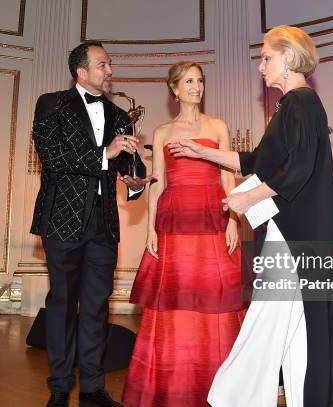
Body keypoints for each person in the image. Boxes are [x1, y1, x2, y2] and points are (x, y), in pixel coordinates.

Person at [168, 26, 333, 407]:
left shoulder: (301, 101)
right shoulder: (292, 106)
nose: (260, 66)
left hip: (295, 234)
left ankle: (234, 397)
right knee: (293, 326)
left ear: (287, 58)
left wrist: (248, 196)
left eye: (266, 57)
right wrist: (203, 153)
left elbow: (298, 169)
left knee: (270, 321)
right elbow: (255, 161)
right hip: (295, 232)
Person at [31, 41, 153, 407]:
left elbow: (123, 166)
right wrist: (106, 152)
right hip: (62, 221)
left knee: (98, 308)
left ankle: (92, 388)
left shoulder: (118, 114)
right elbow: (52, 156)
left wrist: (135, 179)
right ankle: (59, 387)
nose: (110, 71)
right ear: (81, 71)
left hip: (103, 226)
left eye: (110, 64)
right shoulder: (51, 103)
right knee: (63, 304)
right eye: (102, 65)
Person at [122, 61, 247, 407]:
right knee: (176, 304)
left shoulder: (218, 126)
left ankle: (222, 386)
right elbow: (157, 184)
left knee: (217, 301)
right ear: (174, 89)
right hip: (174, 223)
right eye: (189, 81)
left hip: (212, 219)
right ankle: (174, 383)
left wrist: (233, 219)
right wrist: (150, 229)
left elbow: (227, 177)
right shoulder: (162, 132)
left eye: (200, 80)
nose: (196, 86)